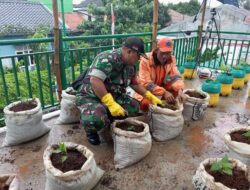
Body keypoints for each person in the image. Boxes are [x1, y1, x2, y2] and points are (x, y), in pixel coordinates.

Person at [76, 37, 163, 145]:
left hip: (114, 95)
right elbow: (95, 81)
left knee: (134, 107)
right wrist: (111, 104)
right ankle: (91, 130)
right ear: (129, 51)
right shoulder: (106, 58)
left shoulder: (130, 66)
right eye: (138, 55)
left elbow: (135, 84)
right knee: (95, 120)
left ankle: (108, 116)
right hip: (91, 96)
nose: (139, 59)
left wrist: (149, 96)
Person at [135, 37, 186, 111]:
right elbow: (146, 83)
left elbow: (175, 76)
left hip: (160, 86)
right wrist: (164, 92)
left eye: (168, 53)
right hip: (147, 90)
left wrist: (180, 90)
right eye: (162, 53)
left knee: (176, 92)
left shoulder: (171, 59)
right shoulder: (145, 60)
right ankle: (148, 114)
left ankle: (163, 107)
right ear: (156, 50)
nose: (165, 56)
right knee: (146, 104)